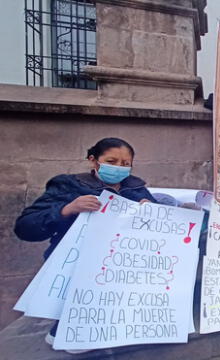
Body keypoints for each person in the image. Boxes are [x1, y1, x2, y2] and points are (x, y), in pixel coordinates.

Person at [13, 137, 155, 353]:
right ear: (93, 160)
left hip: (123, 269)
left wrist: (153, 209)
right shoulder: (68, 186)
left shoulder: (136, 188)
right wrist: (66, 209)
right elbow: (25, 227)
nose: (119, 168)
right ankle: (71, 330)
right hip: (78, 267)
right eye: (112, 161)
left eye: (125, 164)